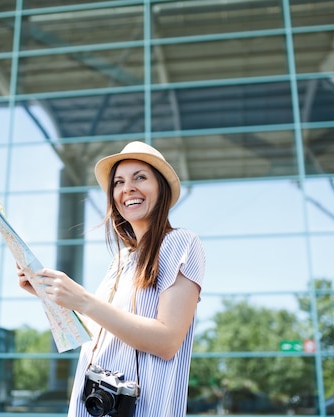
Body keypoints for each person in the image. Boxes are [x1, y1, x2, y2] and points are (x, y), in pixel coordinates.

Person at [17, 141, 205, 417]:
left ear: (161, 188)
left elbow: (167, 342)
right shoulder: (121, 261)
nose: (127, 188)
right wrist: (50, 293)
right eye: (118, 182)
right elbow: (99, 331)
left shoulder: (180, 242)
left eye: (140, 177)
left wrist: (83, 299)